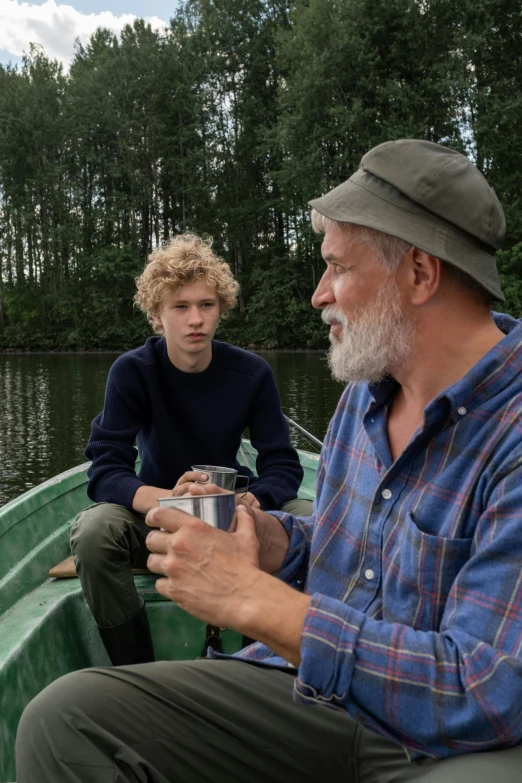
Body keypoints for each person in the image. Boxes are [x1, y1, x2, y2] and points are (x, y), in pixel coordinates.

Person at [16, 139, 522, 782]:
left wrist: (255, 599)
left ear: (419, 274)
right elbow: (346, 552)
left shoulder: (512, 431)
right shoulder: (366, 398)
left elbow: (486, 691)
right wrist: (276, 541)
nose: (318, 295)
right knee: (62, 718)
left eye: (336, 268)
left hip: (441, 741)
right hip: (308, 696)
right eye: (182, 308)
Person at [69, 232, 311, 667]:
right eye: (180, 307)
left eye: (206, 305)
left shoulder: (252, 373)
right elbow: (106, 469)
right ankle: (137, 672)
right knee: (93, 533)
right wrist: (167, 503)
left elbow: (281, 463)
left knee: (314, 519)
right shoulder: (132, 372)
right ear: (157, 315)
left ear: (221, 310)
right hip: (155, 517)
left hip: (235, 515)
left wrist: (250, 501)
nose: (195, 319)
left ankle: (288, 660)